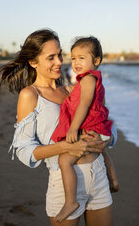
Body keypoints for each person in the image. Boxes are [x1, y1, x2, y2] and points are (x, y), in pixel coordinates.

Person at [0, 29, 117, 226]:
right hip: (65, 185)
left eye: (60, 54)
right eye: (51, 57)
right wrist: (65, 148)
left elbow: (103, 120)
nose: (60, 62)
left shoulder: (72, 89)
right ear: (33, 62)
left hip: (98, 175)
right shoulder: (31, 95)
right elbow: (23, 149)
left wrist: (107, 140)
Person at [51, 36, 119, 222]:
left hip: (93, 129)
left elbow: (85, 104)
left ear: (95, 61)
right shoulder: (94, 80)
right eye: (73, 58)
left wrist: (73, 128)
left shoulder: (88, 79)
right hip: (100, 129)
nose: (76, 62)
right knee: (101, 151)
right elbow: (101, 105)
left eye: (82, 58)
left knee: (65, 160)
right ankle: (113, 179)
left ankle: (71, 201)